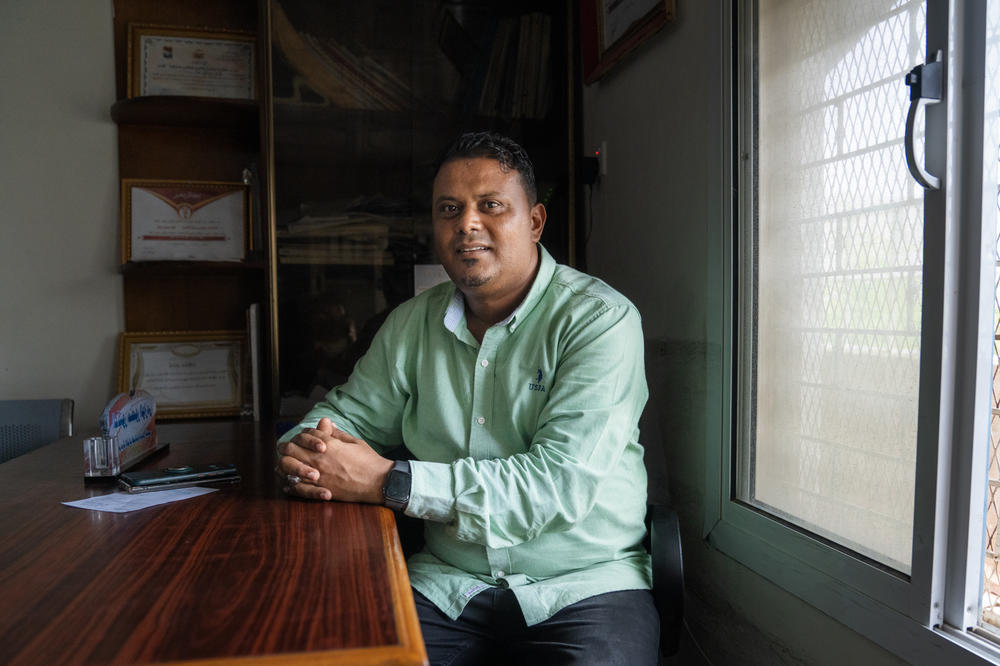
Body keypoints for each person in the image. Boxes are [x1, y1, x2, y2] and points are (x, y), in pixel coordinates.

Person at [276, 131, 658, 664]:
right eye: (449, 209)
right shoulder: (410, 325)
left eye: (491, 206)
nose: (466, 224)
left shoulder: (599, 321)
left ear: (535, 221)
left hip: (585, 586)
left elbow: (556, 484)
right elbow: (341, 418)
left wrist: (391, 482)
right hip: (447, 583)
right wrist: (303, 452)